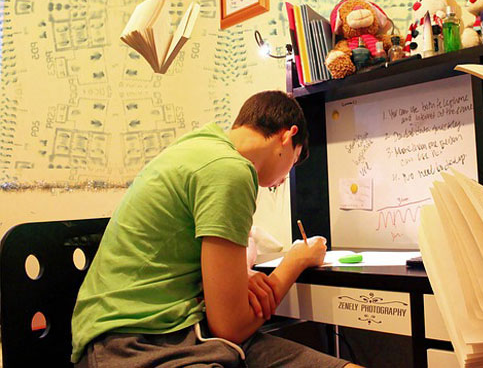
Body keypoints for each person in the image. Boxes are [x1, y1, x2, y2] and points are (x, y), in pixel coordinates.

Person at [71, 91, 358, 367]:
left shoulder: (200, 146)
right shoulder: (230, 170)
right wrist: (296, 261)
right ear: (287, 136)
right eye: (293, 162)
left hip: (169, 325)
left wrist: (239, 276)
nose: (284, 180)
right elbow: (231, 326)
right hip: (133, 340)